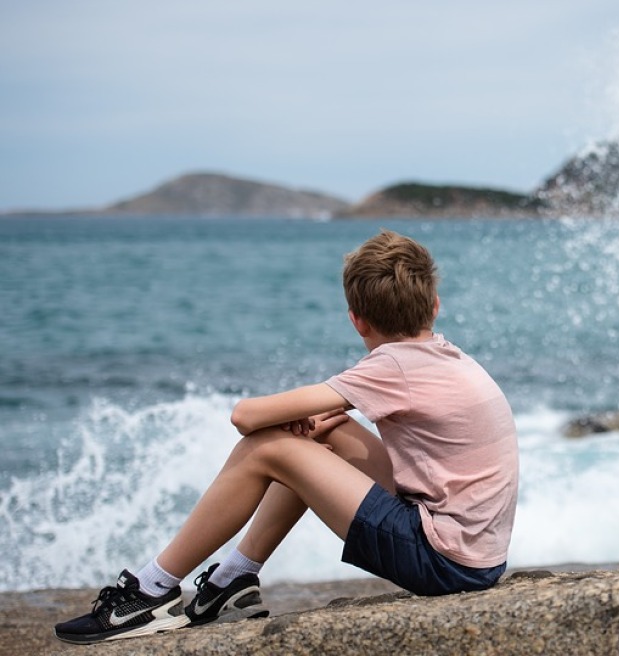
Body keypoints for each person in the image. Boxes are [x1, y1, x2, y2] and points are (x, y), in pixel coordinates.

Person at [54, 230, 519, 645]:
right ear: (435, 306)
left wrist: (295, 428)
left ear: (357, 319)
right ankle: (233, 581)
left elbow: (245, 416)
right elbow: (332, 411)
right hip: (476, 556)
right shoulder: (444, 354)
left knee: (268, 447)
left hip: (442, 560)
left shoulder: (392, 365)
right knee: (324, 431)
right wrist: (316, 423)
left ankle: (149, 592)